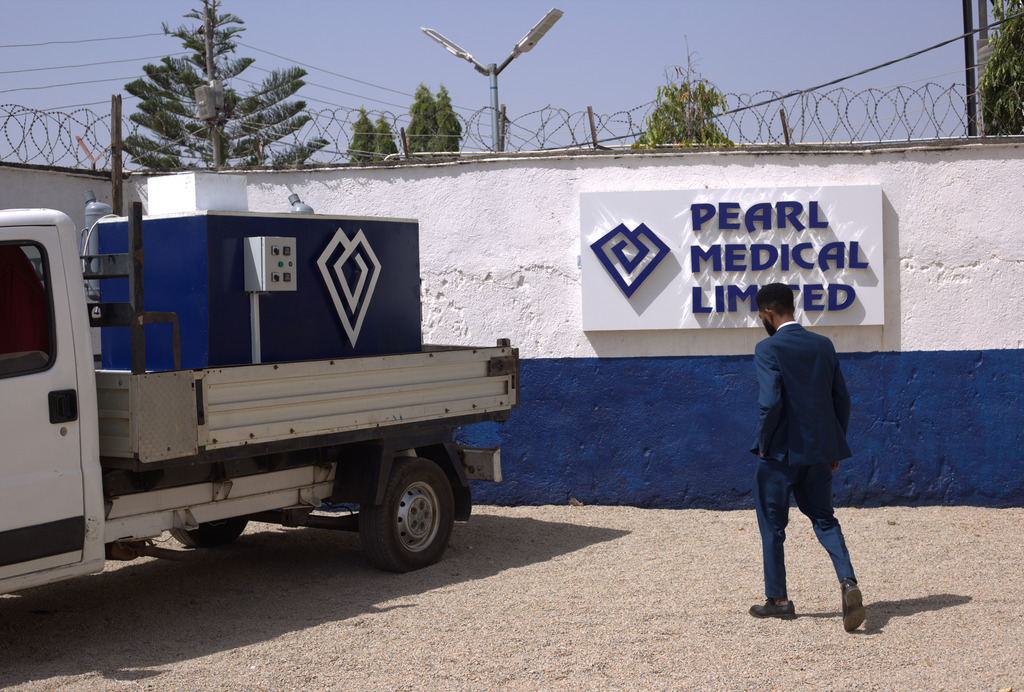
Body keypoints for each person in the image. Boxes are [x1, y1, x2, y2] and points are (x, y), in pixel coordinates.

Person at [747, 283, 865, 632]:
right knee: (825, 518)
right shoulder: (822, 345)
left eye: (760, 315)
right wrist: (833, 447)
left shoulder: (768, 348)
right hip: (818, 452)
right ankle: (847, 581)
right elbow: (841, 399)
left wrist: (764, 443)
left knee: (773, 525)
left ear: (768, 313)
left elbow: (770, 402)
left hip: (780, 453)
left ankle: (778, 601)